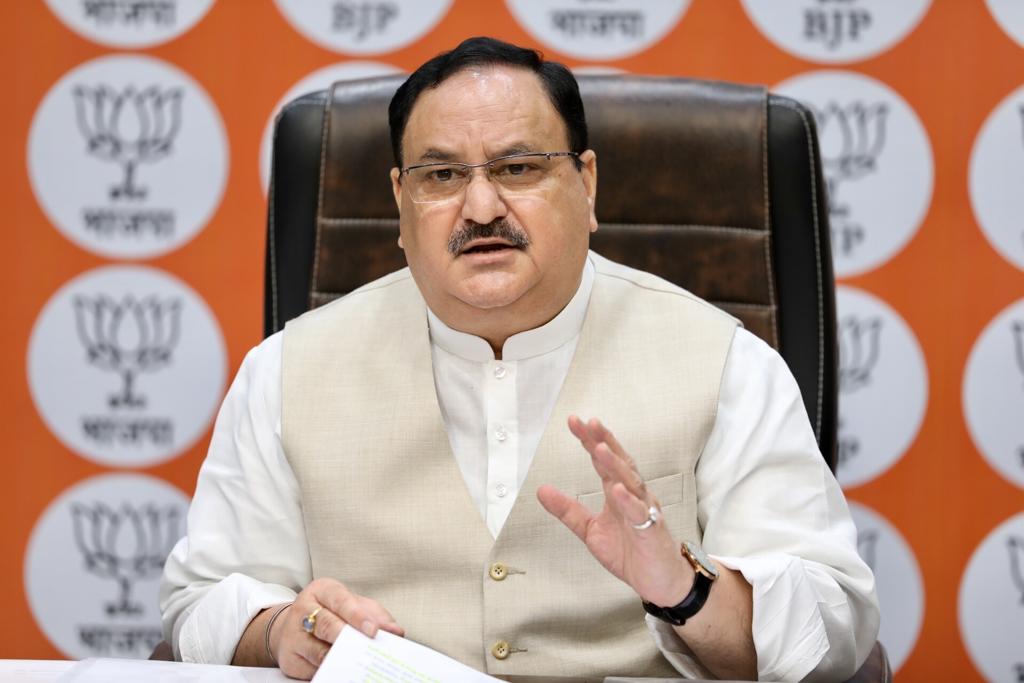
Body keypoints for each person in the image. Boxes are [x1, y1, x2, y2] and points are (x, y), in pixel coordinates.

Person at [161, 37, 878, 682]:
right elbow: (201, 603)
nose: (479, 206)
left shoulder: (726, 362)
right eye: (440, 176)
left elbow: (834, 629)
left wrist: (687, 588)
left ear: (587, 183)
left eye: (517, 166)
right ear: (399, 203)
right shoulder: (286, 370)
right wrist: (282, 629)